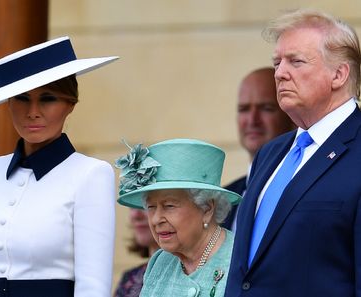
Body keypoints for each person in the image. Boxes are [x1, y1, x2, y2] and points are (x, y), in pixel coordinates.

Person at [0, 36, 118, 297]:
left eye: (47, 98)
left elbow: (93, 288)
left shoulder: (90, 175)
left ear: (70, 104)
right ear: (8, 104)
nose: (33, 111)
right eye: (22, 98)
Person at [224, 9, 361, 297]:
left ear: (339, 74)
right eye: (277, 62)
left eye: (295, 61)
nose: (280, 73)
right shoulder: (270, 153)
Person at [115, 139, 241, 296]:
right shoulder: (160, 261)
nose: (156, 220)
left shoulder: (241, 258)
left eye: (169, 206)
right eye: (151, 207)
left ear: (207, 208)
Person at [222, 67, 295, 231]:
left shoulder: (306, 188)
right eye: (244, 109)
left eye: (266, 108)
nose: (252, 120)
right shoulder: (223, 198)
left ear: (292, 117)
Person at [114, 209, 158, 297]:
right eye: (131, 206)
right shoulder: (129, 280)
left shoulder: (190, 275)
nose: (135, 214)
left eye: (145, 205)